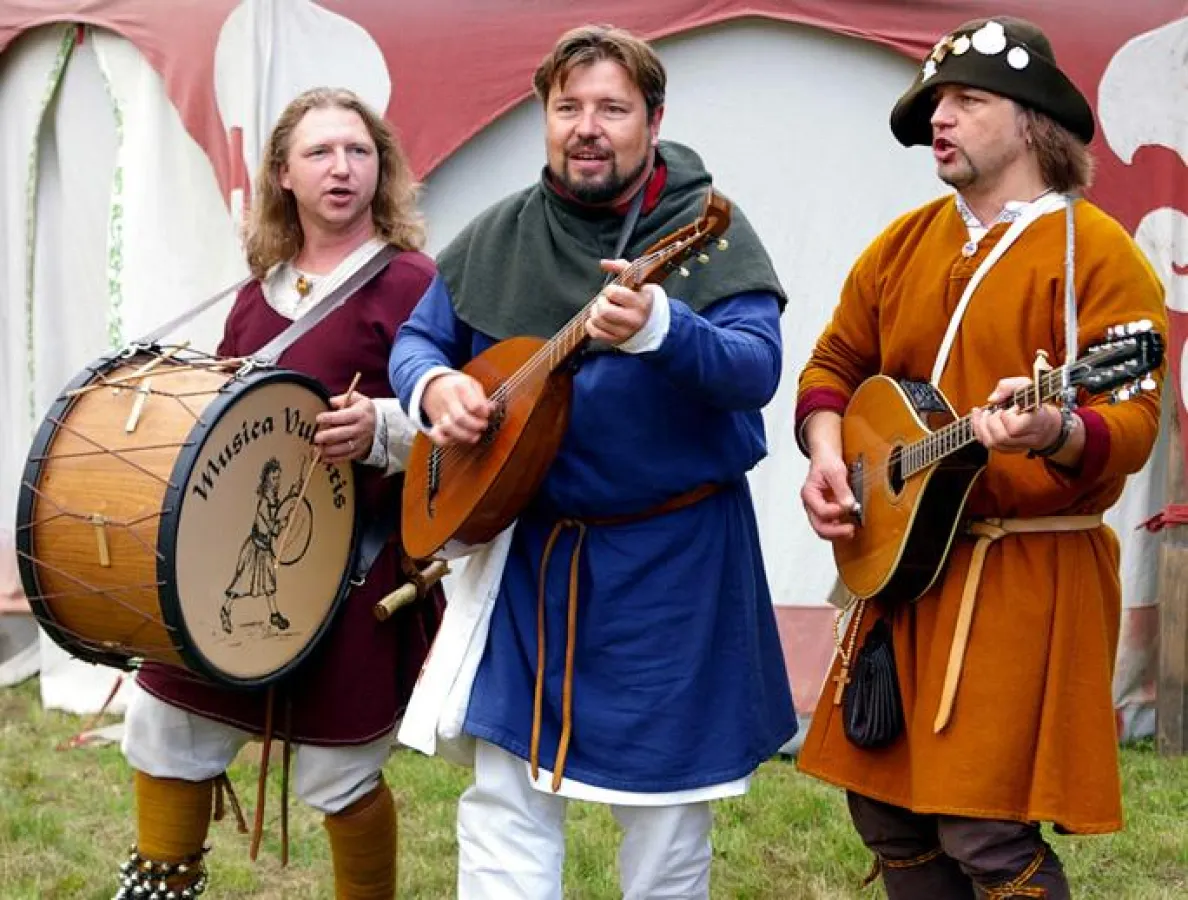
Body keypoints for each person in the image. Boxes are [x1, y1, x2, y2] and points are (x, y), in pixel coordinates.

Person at [389, 23, 796, 900]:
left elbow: (756, 369)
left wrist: (663, 328)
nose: (587, 126)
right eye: (567, 106)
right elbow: (420, 339)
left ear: (653, 119)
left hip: (671, 564)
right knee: (503, 797)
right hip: (532, 557)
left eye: (611, 107)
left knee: (665, 817)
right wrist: (432, 389)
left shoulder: (709, 228)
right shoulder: (500, 234)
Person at [795, 16, 1167, 899]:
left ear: (1033, 119)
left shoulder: (1100, 252)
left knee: (984, 825)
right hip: (901, 566)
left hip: (1022, 570)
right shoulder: (904, 243)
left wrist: (1057, 430)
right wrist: (823, 459)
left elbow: (1138, 416)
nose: (941, 120)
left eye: (968, 100)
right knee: (886, 810)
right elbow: (833, 366)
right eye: (935, 104)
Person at [115, 87, 444, 900]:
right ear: (284, 176)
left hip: (356, 560)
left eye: (359, 152)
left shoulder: (412, 283)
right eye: (321, 153)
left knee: (338, 767)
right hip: (238, 552)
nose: (342, 168)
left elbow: (461, 407)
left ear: (383, 170)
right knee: (168, 719)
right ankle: (163, 884)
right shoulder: (258, 293)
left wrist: (382, 429)